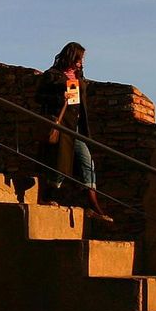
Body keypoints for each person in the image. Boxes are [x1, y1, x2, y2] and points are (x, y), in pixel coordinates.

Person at [34, 41, 114, 222]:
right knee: (60, 165)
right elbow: (38, 97)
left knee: (88, 164)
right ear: (72, 56)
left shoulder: (79, 75)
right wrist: (59, 96)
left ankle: (94, 207)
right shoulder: (52, 75)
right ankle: (48, 196)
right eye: (80, 57)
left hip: (77, 128)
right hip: (61, 126)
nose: (82, 61)